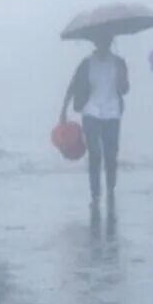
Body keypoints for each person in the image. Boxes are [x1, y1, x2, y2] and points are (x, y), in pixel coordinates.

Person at [60, 35, 129, 208]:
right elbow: (73, 86)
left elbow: (125, 88)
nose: (103, 44)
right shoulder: (86, 64)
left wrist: (122, 78)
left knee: (111, 154)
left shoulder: (119, 62)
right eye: (100, 42)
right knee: (95, 154)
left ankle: (111, 189)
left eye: (106, 41)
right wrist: (63, 110)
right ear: (96, 43)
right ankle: (95, 193)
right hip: (91, 112)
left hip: (112, 113)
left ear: (110, 41)